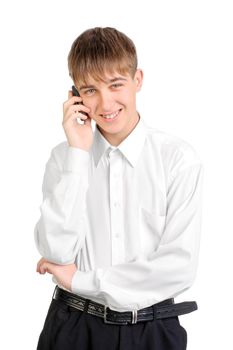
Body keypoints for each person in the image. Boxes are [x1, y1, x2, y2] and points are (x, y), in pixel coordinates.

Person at [34, 27, 204, 350]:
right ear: (75, 96)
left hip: (153, 332)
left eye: (115, 84)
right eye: (90, 90)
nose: (105, 102)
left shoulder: (178, 160)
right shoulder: (65, 158)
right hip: (73, 327)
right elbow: (56, 251)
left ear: (137, 79)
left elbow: (178, 267)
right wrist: (78, 155)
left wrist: (80, 280)